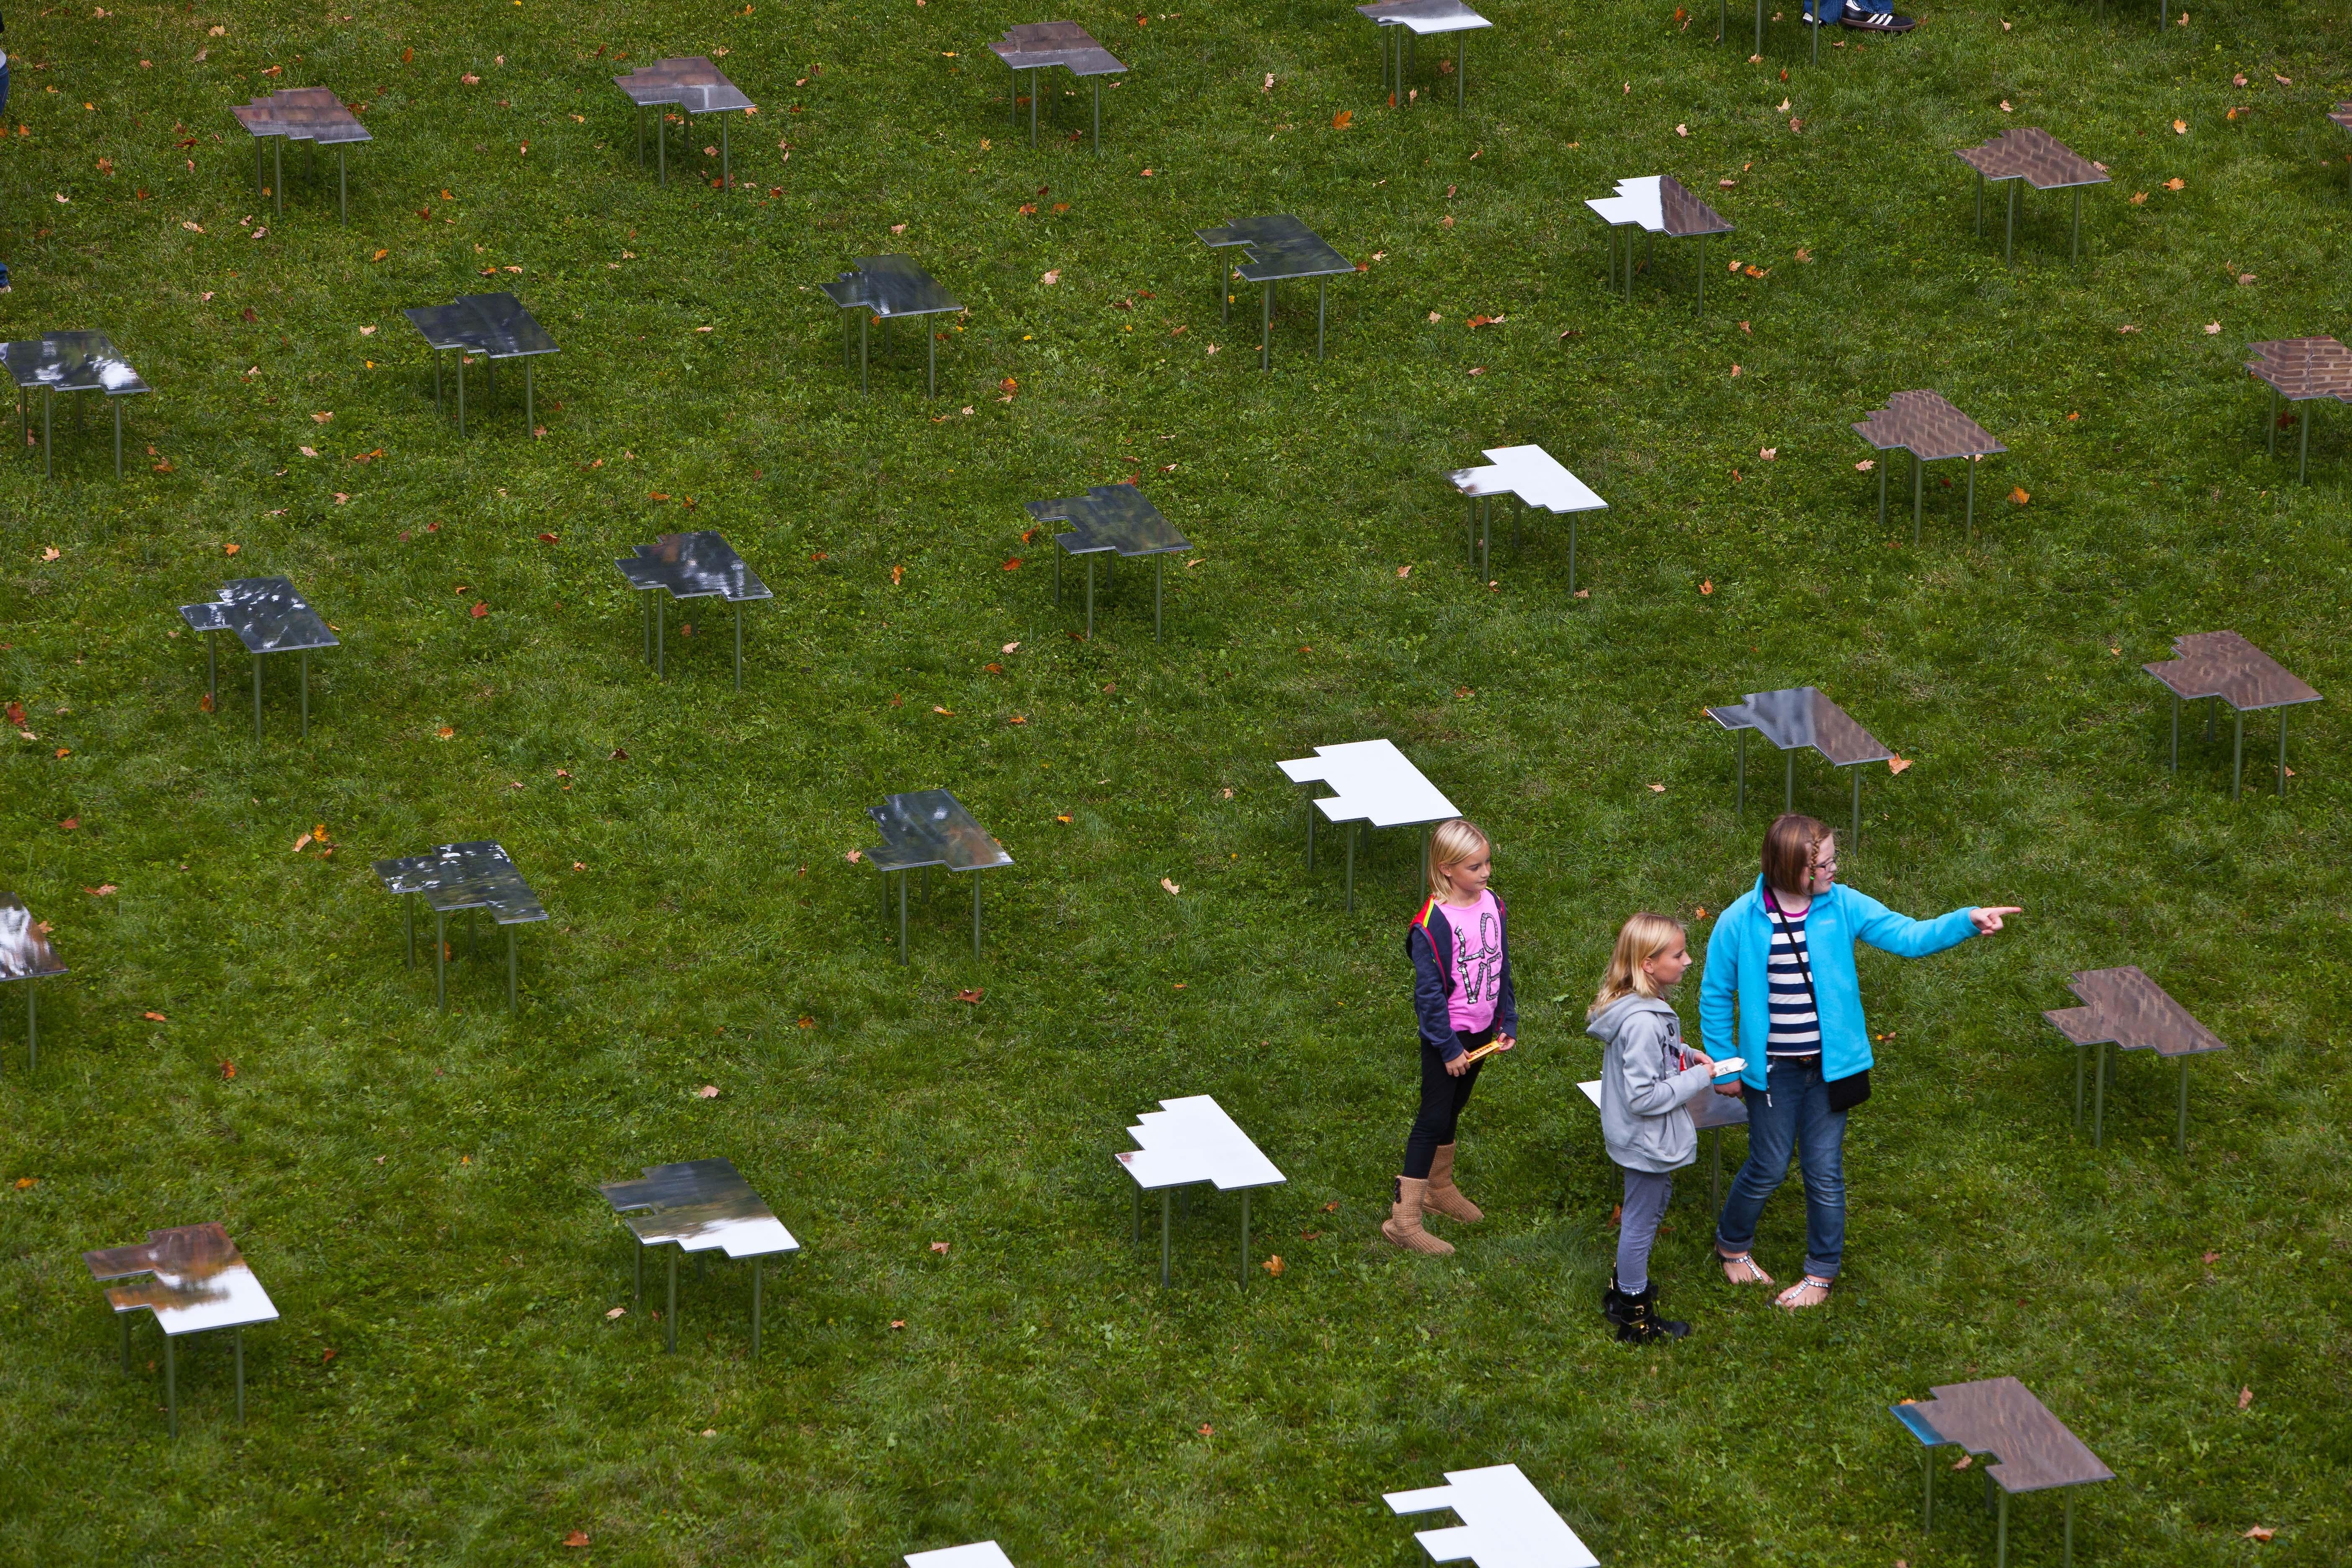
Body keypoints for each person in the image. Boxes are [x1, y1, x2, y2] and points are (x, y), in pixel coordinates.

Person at [1705, 814, 2019, 1308]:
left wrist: (1966, 919)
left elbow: (1908, 936)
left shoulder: (1844, 905)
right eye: (1825, 863)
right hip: (1773, 1074)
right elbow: (1716, 994)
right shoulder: (1740, 920)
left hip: (1831, 1072)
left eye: (1833, 859)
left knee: (1824, 1171)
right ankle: (1732, 1246)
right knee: (1767, 1166)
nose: (1834, 869)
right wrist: (1725, 1065)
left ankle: (1820, 1274)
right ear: (1794, 869)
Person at [1382, 817, 1517, 1256]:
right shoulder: (1431, 925)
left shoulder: (1491, 903)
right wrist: (1448, 1047)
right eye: (1475, 867)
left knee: (1456, 1107)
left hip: (1482, 1032)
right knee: (1433, 1118)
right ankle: (1404, 1220)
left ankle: (1439, 1189)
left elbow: (1500, 965)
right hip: (1449, 1037)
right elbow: (1429, 998)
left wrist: (1506, 1021)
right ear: (1446, 869)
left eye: (1487, 863)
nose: (1486, 874)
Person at [1589, 913, 1725, 1344]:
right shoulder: (1644, 1020)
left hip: (1638, 1136)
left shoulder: (1639, 1008)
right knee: (1642, 1220)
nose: (1687, 961)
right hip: (1643, 1137)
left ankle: (1621, 1291)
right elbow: (1644, 1096)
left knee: (1648, 1204)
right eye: (1678, 954)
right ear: (1648, 964)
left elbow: (1654, 1054)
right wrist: (1702, 1078)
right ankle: (1635, 1315)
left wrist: (1685, 1053)